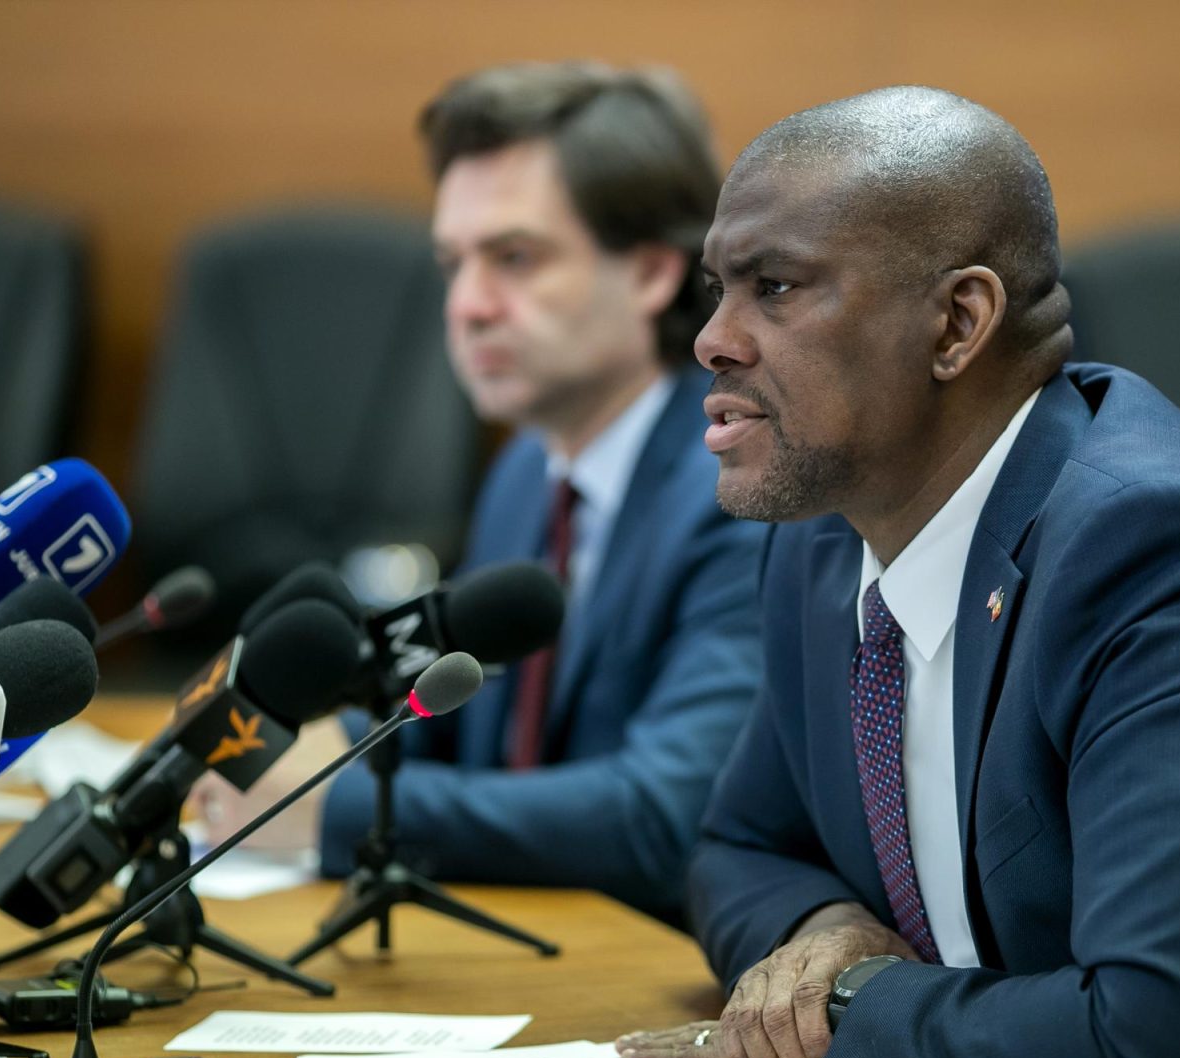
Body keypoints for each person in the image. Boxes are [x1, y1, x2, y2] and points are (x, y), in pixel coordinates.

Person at [616, 86, 1180, 1058]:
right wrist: (822, 929)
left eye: (775, 287)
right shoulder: (827, 537)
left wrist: (847, 1000)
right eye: (717, 289)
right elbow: (739, 843)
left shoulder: (1174, 558)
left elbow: (1160, 1047)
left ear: (959, 322)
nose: (713, 338)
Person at [202, 62, 763, 924]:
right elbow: (449, 715)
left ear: (652, 273)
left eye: (514, 258)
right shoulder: (526, 470)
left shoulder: (741, 491)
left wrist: (321, 809)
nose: (466, 305)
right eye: (454, 263)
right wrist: (295, 756)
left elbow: (666, 815)